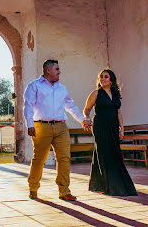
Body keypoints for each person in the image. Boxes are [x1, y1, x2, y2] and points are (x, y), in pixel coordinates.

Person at [24, 59, 91, 201]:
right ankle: (33, 188)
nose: (60, 72)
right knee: (39, 159)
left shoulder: (62, 89)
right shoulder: (34, 86)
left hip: (61, 127)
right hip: (41, 126)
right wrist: (30, 124)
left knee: (64, 158)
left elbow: (71, 107)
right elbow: (28, 105)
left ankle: (64, 191)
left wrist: (82, 120)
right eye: (57, 69)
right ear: (48, 70)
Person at [83, 69, 137, 196]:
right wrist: (86, 117)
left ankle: (103, 183)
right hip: (100, 126)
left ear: (111, 80)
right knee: (103, 153)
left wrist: (121, 128)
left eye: (105, 77)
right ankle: (108, 185)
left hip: (113, 127)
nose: (102, 79)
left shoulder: (116, 94)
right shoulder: (96, 93)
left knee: (115, 153)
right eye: (101, 77)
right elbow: (87, 109)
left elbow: (118, 113)